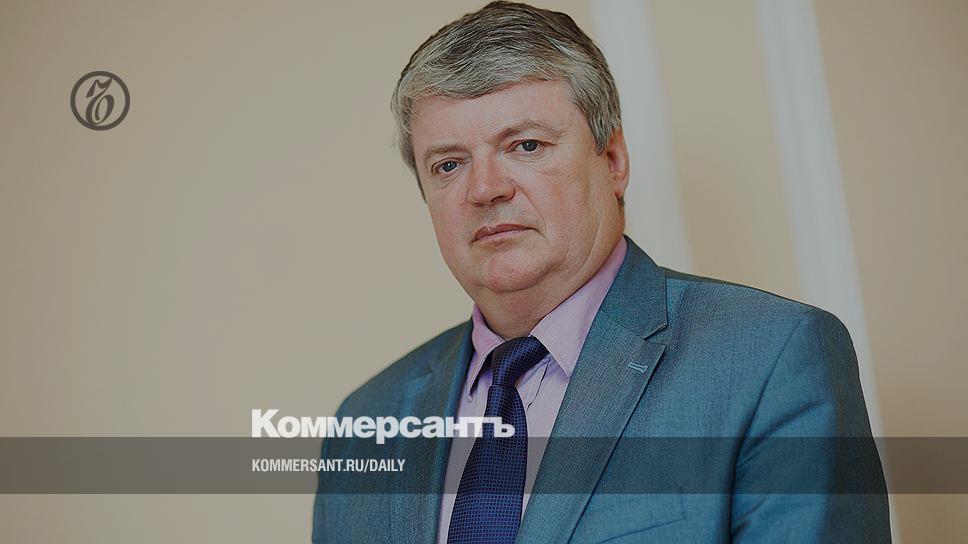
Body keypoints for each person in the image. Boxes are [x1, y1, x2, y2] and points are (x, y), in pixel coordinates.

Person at [312, 2, 890, 542]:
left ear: (613, 161)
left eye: (526, 145)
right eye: (448, 164)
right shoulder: (367, 420)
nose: (484, 189)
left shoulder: (770, 356)